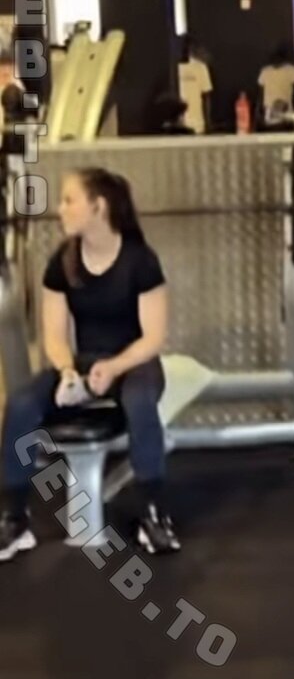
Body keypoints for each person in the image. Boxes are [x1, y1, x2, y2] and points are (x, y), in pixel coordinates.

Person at [0, 168, 180, 562]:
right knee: (21, 404)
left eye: (69, 200)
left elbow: (153, 338)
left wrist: (113, 367)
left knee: (140, 403)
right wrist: (67, 371)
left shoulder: (140, 261)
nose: (60, 208)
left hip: (134, 363)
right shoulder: (62, 263)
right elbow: (54, 335)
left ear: (98, 207)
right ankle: (14, 519)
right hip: (82, 363)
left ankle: (153, 515)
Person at [257, 43, 294, 130]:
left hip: (286, 114)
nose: (276, 60)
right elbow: (260, 96)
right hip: (270, 115)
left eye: (278, 57)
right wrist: (259, 115)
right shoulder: (265, 72)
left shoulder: (291, 70)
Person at [177, 36, 213, 134]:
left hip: (197, 125)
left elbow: (206, 96)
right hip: (179, 127)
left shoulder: (200, 67)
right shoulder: (173, 69)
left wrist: (208, 123)